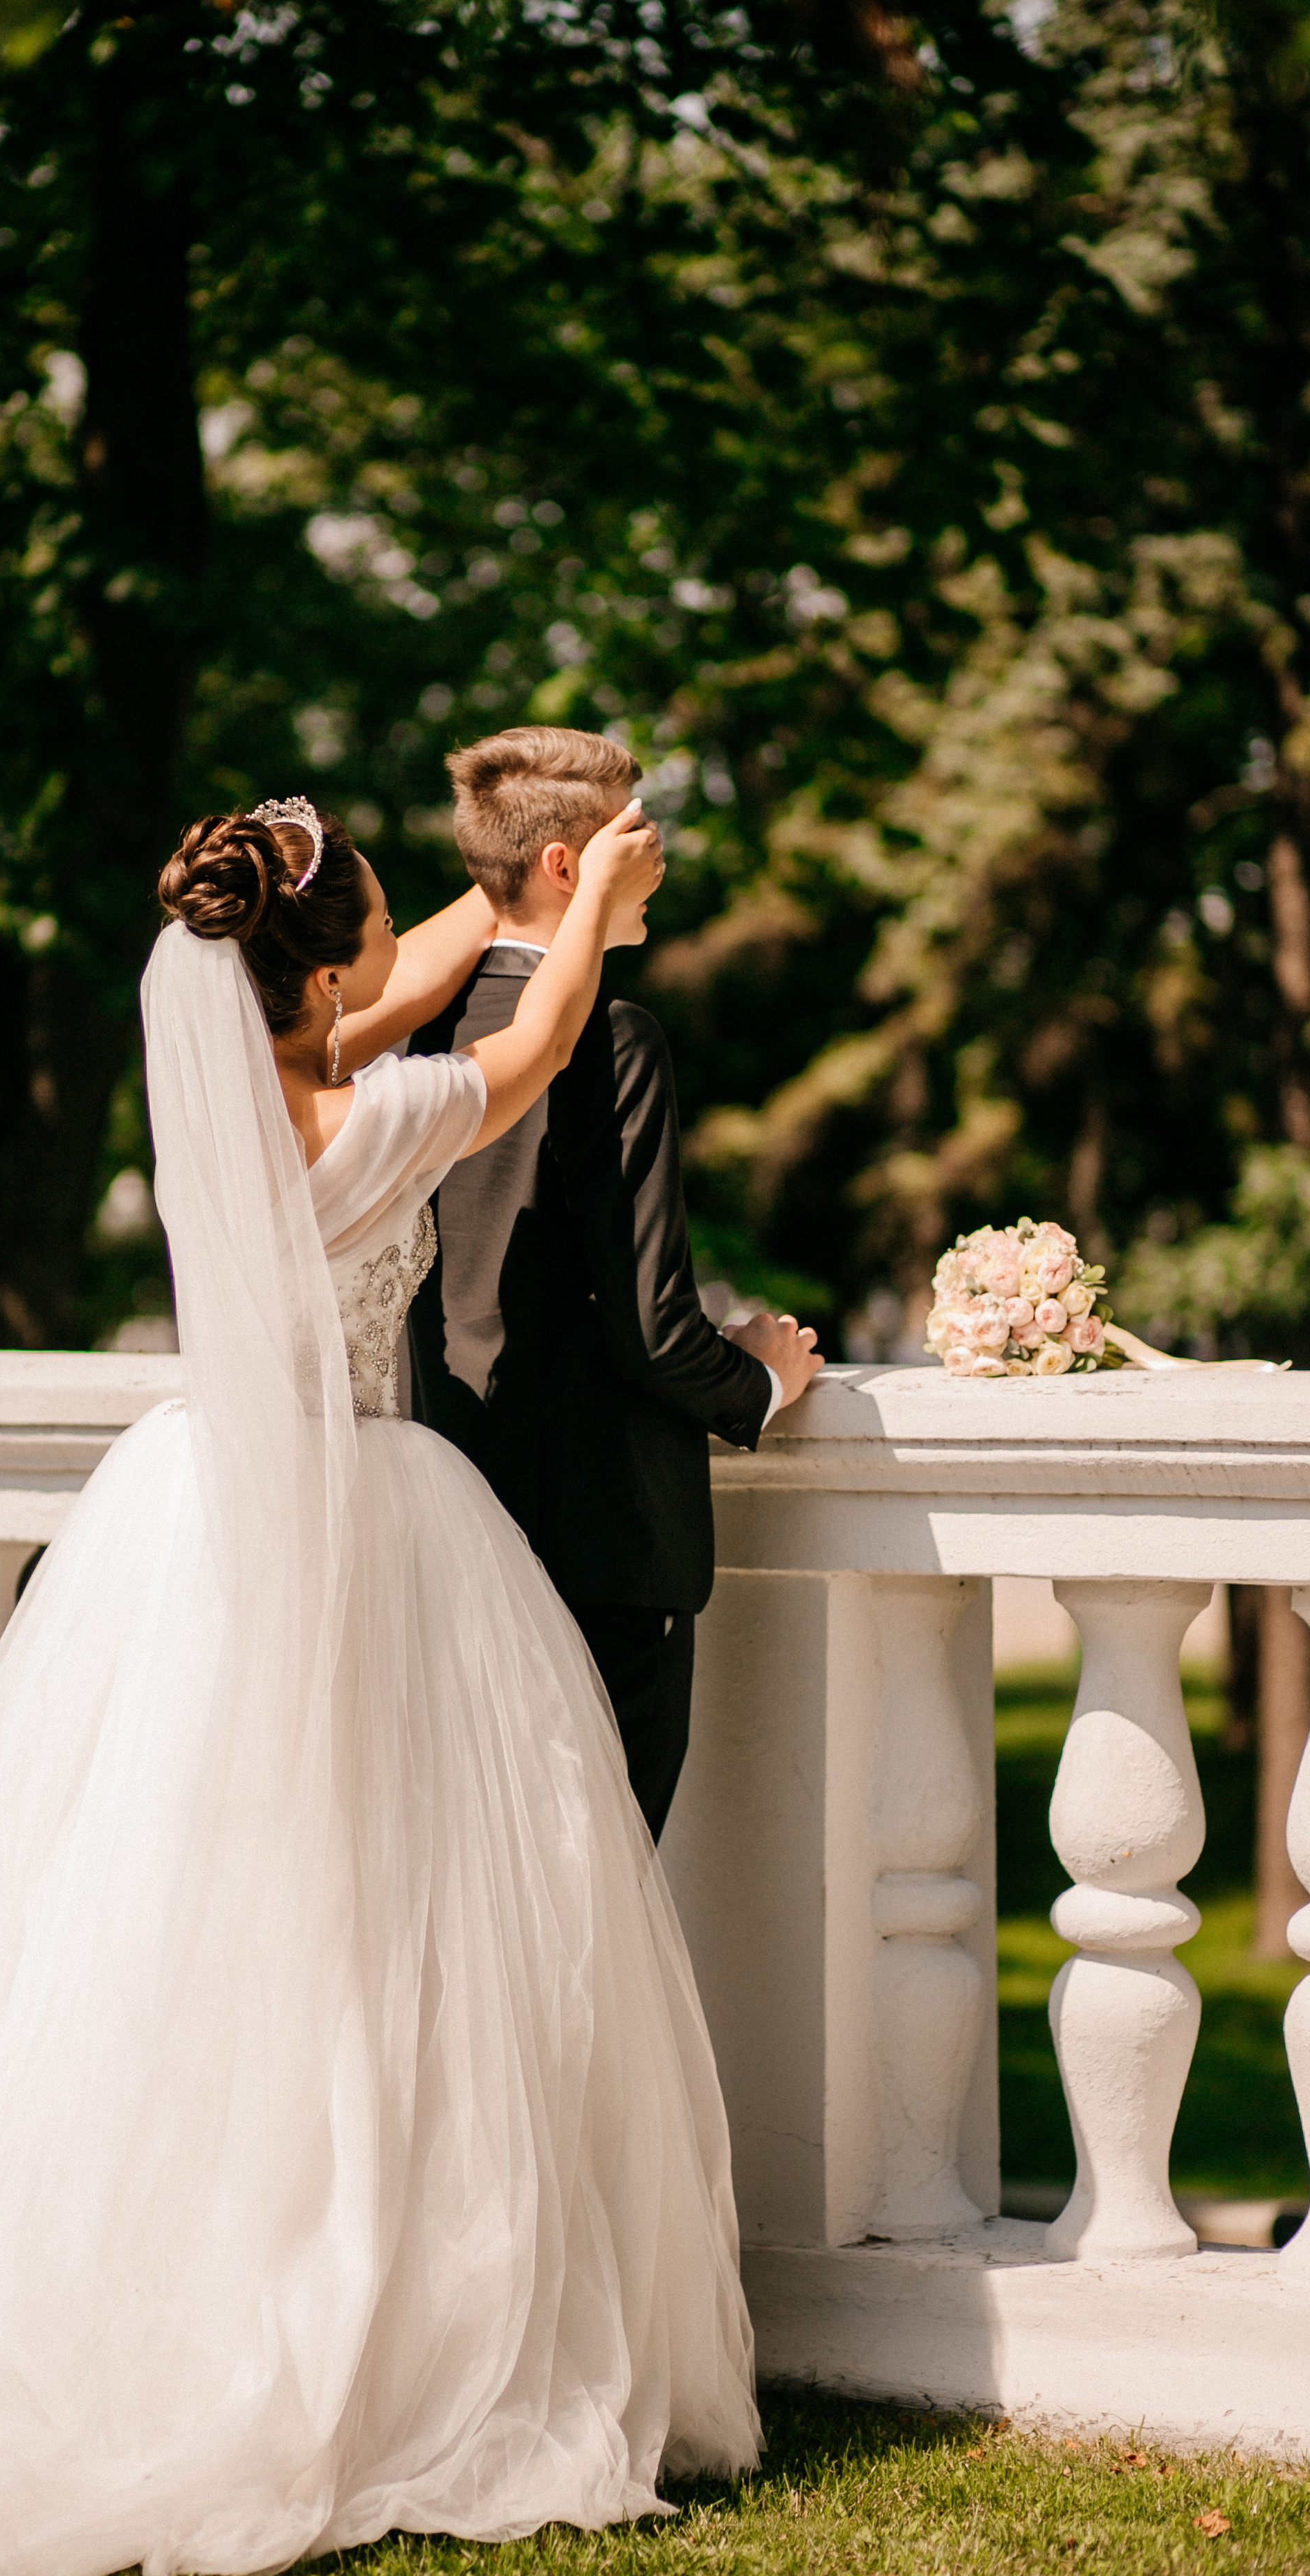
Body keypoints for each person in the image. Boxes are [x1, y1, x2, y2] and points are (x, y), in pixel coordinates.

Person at [0, 793, 762, 2576]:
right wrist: (588, 901)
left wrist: (484, 893)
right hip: (373, 1519)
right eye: (375, 924)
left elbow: (397, 988)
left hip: (192, 1523)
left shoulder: (244, 1101)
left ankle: (166, 2261)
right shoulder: (385, 1117)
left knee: (171, 1919)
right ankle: (364, 2304)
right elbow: (523, 1049)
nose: (393, 952)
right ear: (329, 971)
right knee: (382, 1921)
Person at [409, 727, 822, 1840]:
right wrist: (762, 1383)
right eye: (636, 833)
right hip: (598, 1547)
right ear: (567, 868)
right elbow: (651, 1325)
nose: (660, 858)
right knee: (594, 1914)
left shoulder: (413, 1045)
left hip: (444, 1526)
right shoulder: (612, 1038)